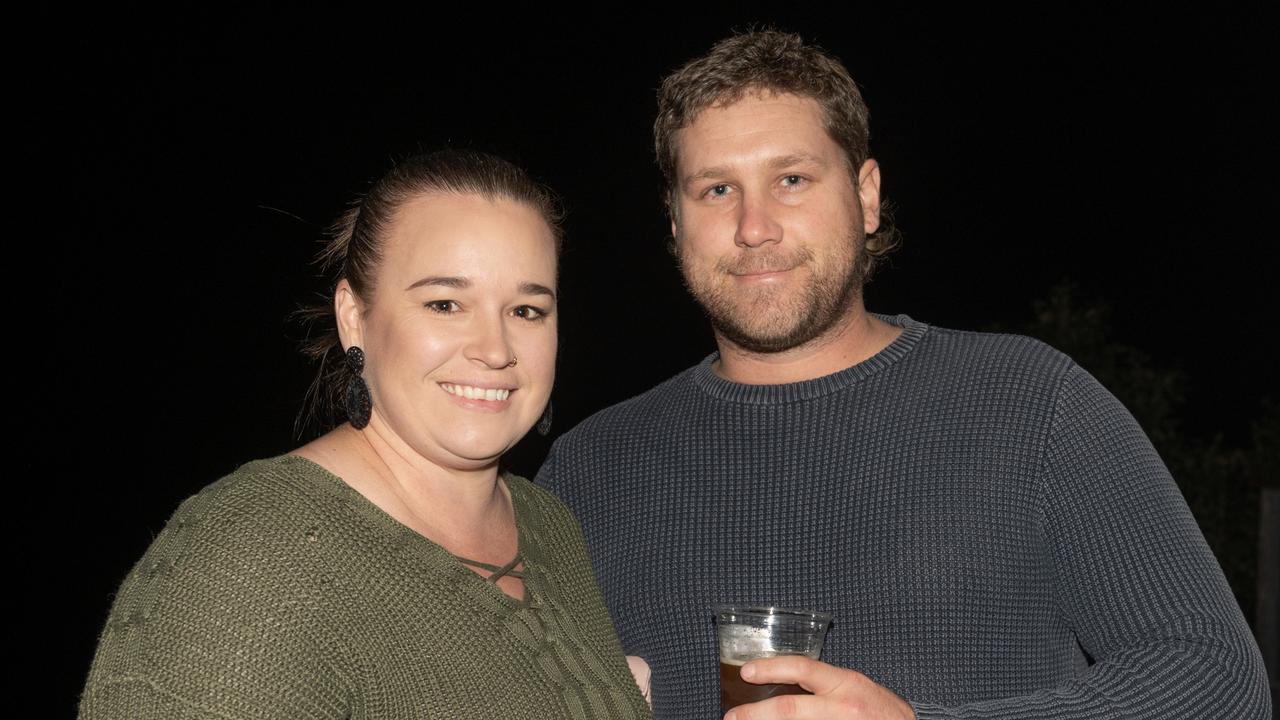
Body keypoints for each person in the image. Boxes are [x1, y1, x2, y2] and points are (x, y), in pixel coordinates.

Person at [537, 31, 1271, 720]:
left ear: (865, 195)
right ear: (674, 223)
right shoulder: (588, 469)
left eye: (791, 178)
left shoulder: (1030, 402)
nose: (754, 226)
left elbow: (1218, 681)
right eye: (716, 190)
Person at [79, 150, 652, 719]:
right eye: (445, 303)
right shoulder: (251, 556)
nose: (496, 350)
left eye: (527, 311)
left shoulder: (551, 525)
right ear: (354, 316)